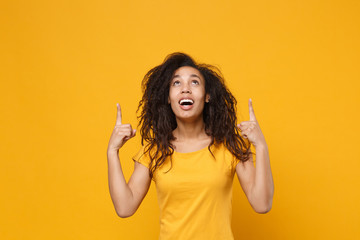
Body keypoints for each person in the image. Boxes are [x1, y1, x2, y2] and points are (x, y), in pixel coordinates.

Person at [107, 52, 274, 240]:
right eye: (176, 83)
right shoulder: (154, 152)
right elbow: (124, 207)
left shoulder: (229, 146)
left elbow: (262, 204)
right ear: (168, 98)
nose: (185, 89)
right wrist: (112, 152)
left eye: (194, 82)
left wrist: (260, 145)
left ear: (207, 96)